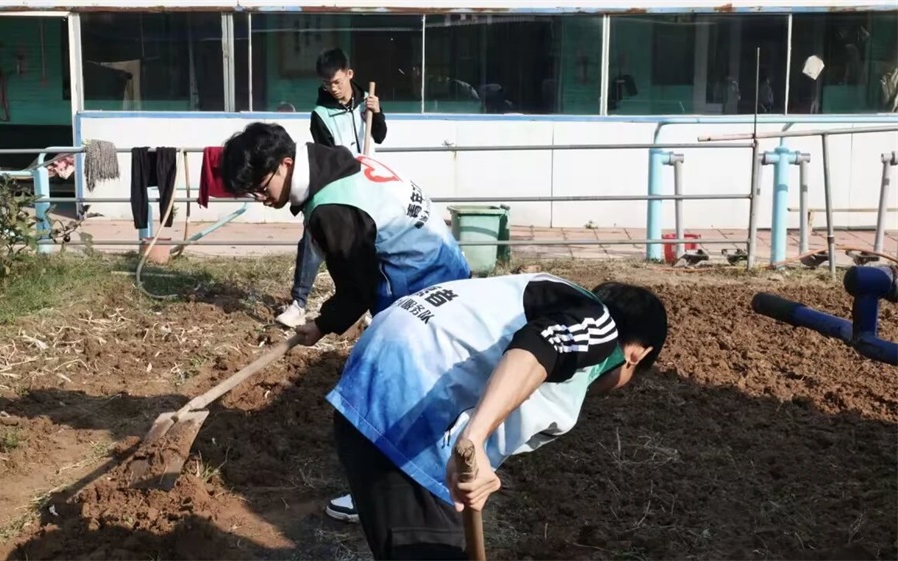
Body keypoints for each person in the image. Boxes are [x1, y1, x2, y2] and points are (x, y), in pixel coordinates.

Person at [220, 121, 471, 524]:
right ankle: (431, 468)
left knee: (380, 389)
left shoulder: (331, 208)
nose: (261, 199)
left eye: (261, 186)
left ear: (286, 164)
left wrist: (320, 325)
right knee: (423, 386)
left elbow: (358, 290)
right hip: (446, 266)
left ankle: (385, 492)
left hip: (420, 287)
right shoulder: (335, 160)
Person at [327, 272, 669, 560]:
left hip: (370, 375)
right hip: (406, 390)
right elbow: (539, 345)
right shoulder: (599, 324)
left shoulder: (544, 291)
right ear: (638, 354)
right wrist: (473, 441)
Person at [277, 47, 388, 329]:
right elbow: (327, 156)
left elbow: (380, 136)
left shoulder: (368, 102)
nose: (333, 88)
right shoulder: (320, 114)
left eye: (337, 82)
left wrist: (377, 113)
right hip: (338, 184)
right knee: (315, 238)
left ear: (349, 74)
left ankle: (373, 307)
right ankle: (298, 304)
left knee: (371, 244)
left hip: (370, 182)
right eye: (327, 84)